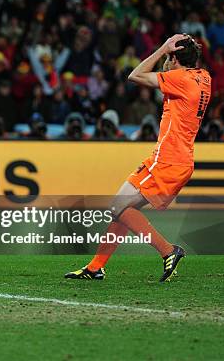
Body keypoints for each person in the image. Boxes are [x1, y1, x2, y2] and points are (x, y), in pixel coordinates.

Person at [65, 34, 211, 282]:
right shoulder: (204, 77)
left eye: (168, 57)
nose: (164, 61)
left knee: (118, 206)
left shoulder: (180, 78)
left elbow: (134, 75)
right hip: (175, 158)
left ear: (174, 58)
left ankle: (168, 251)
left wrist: (162, 48)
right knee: (122, 208)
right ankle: (95, 267)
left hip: (169, 159)